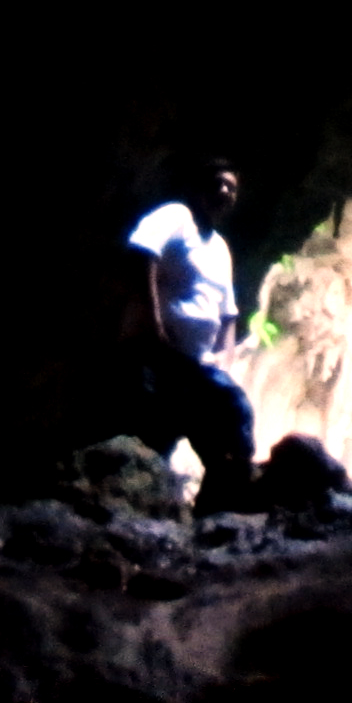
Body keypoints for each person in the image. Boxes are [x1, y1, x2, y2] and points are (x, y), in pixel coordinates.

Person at [125, 156, 257, 503]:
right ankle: (138, 504)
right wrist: (153, 321)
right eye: (218, 183)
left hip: (198, 365)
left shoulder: (220, 248)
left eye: (232, 187)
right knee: (152, 432)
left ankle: (219, 510)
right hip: (158, 353)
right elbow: (143, 253)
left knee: (230, 419)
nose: (225, 191)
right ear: (198, 189)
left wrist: (224, 361)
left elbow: (228, 313)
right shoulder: (175, 217)